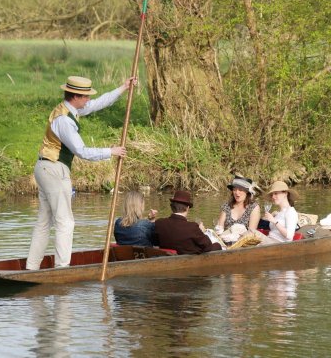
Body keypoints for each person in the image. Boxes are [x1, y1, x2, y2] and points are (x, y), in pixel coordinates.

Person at [26, 75, 136, 270]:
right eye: (85, 97)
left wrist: (123, 88)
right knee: (65, 222)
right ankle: (62, 268)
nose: (88, 100)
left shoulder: (69, 108)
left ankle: (31, 267)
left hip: (44, 168)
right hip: (54, 169)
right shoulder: (64, 121)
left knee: (44, 222)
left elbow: (98, 104)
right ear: (75, 96)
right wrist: (111, 151)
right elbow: (82, 151)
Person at [155, 191, 222, 255]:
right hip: (190, 262)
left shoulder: (159, 223)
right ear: (187, 208)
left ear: (172, 207)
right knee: (217, 245)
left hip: (167, 260)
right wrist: (202, 231)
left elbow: (155, 242)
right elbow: (208, 246)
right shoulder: (192, 227)